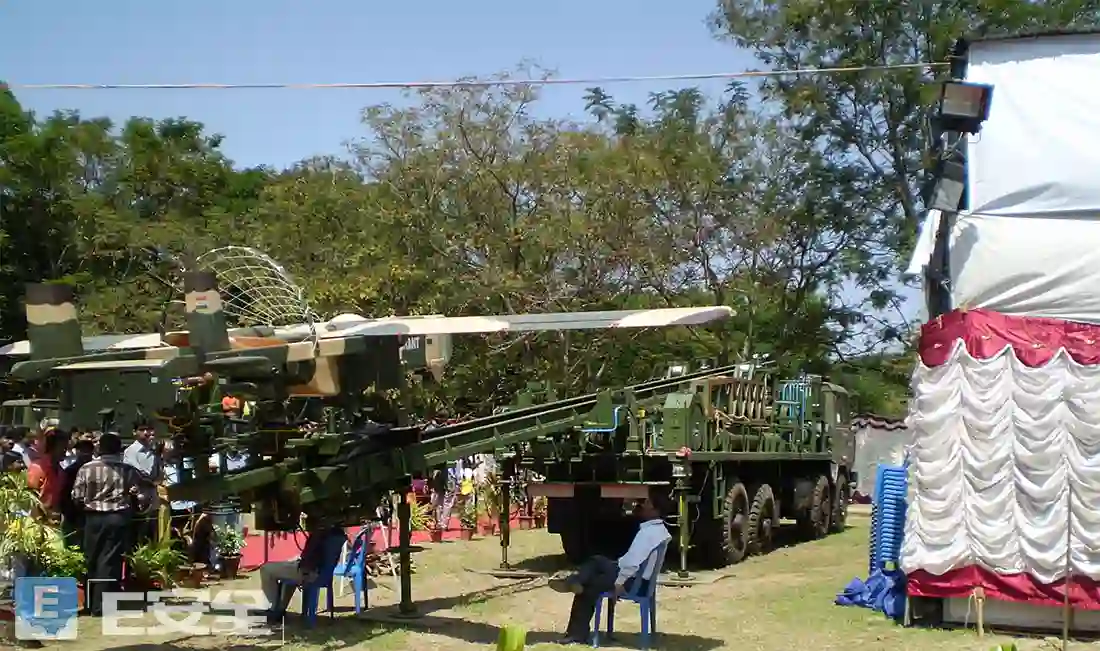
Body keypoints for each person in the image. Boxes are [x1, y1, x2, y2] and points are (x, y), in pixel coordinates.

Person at [547, 488, 672, 644]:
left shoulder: (648, 534)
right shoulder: (659, 531)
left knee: (590, 586)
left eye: (647, 503)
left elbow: (632, 564)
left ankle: (576, 633)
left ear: (655, 510)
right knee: (597, 560)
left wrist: (619, 583)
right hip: (639, 578)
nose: (642, 505)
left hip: (632, 581)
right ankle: (574, 580)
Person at [71, 432, 155, 616]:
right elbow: (141, 491)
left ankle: (91, 603)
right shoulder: (128, 470)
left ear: (100, 448)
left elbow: (76, 496)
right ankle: (101, 606)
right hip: (117, 518)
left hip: (93, 518)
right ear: (119, 449)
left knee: (92, 558)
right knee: (109, 560)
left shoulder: (86, 468)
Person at [259, 524, 347, 621]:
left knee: (266, 568)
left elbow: (308, 561)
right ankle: (280, 609)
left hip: (308, 572)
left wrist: (302, 567)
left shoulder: (318, 534)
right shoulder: (336, 534)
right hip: (321, 573)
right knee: (289, 572)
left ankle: (273, 608)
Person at [123, 422, 163, 542]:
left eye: (149, 429)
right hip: (138, 497)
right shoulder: (130, 451)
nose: (146, 433)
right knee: (139, 531)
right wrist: (151, 481)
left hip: (153, 496)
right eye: (142, 430)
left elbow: (159, 474)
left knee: (153, 531)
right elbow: (138, 472)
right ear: (134, 432)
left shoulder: (154, 451)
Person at [57, 434, 96, 545]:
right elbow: (64, 493)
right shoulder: (70, 471)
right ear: (77, 452)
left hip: (91, 512)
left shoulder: (97, 469)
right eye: (82, 450)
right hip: (74, 513)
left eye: (87, 451)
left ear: (92, 452)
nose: (84, 454)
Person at [27, 428, 69, 519]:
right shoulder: (37, 468)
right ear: (52, 447)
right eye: (63, 447)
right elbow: (29, 498)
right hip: (36, 520)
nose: (65, 451)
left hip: (53, 520)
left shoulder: (61, 471)